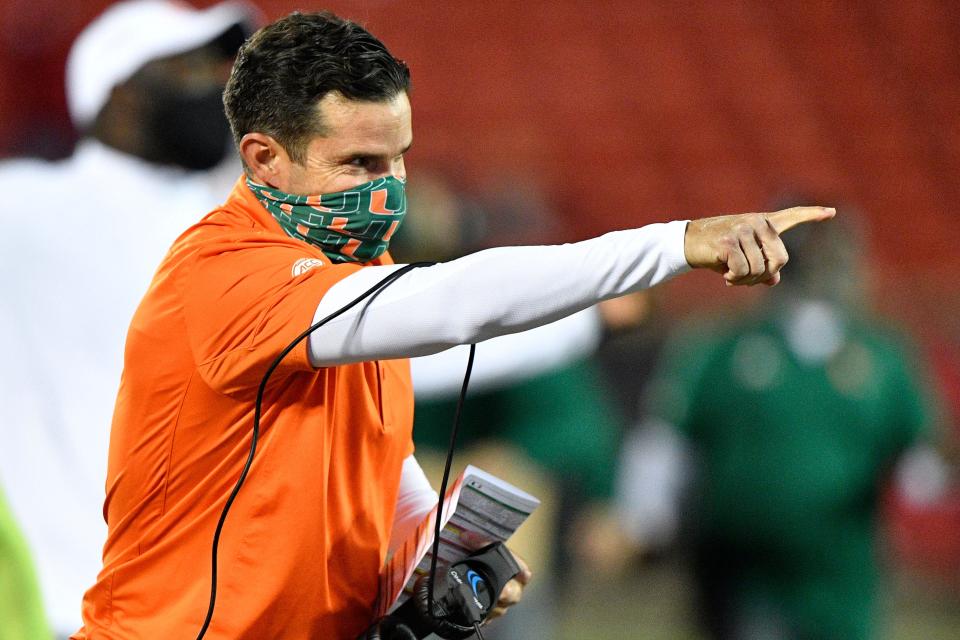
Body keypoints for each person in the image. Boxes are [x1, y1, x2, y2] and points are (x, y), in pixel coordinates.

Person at [71, 10, 833, 639]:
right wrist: (674, 243)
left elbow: (380, 462)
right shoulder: (223, 274)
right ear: (264, 158)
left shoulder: (354, 265)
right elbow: (459, 299)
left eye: (400, 159)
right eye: (361, 165)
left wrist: (432, 542)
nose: (391, 191)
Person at [0, 1, 256, 636]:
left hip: (187, 606)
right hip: (55, 604)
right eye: (193, 68)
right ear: (118, 92)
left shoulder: (232, 228)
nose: (221, 92)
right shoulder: (24, 207)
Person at [617, 206, 938, 639]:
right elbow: (666, 438)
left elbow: (920, 461)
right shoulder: (722, 347)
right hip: (742, 569)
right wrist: (643, 519)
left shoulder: (883, 356)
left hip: (842, 570)